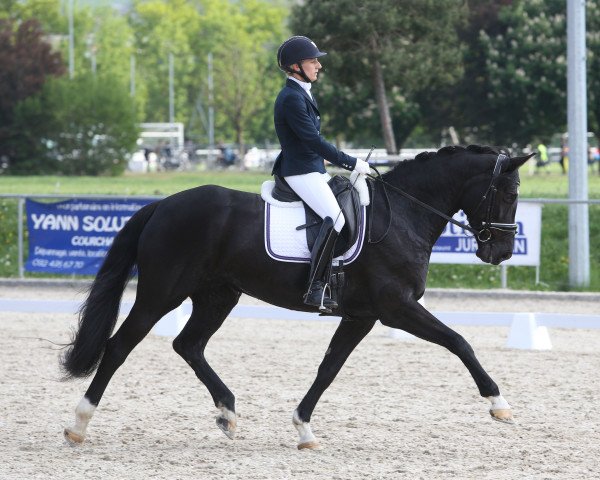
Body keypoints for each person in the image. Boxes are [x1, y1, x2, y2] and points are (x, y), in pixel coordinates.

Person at [272, 35, 371, 312]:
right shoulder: (291, 97)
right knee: (336, 219)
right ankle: (315, 287)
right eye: (312, 61)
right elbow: (312, 141)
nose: (319, 66)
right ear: (295, 66)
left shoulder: (302, 92)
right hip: (300, 171)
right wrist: (350, 162)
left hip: (310, 167)